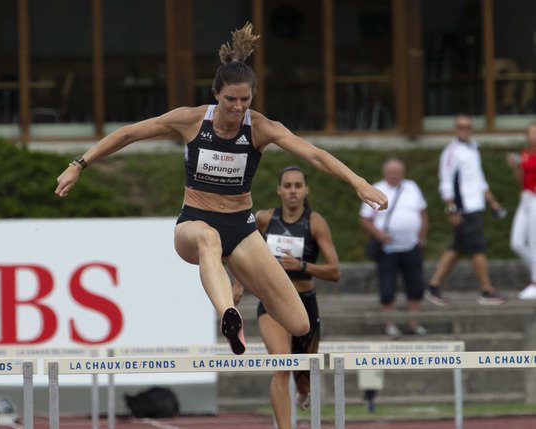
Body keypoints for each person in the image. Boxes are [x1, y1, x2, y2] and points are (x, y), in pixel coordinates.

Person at [54, 23, 388, 355]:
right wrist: (78, 164)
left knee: (299, 323)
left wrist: (359, 183)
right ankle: (229, 315)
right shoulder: (191, 119)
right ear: (216, 94)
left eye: (246, 99)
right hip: (195, 223)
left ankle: (238, 292)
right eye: (230, 100)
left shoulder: (261, 128)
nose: (238, 108)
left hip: (241, 229)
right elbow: (128, 134)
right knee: (209, 240)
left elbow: (314, 154)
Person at [232, 165, 340, 429]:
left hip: (305, 303)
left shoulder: (315, 222)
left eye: (298, 186)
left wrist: (302, 266)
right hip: (272, 304)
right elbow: (240, 249)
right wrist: (239, 283)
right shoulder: (265, 219)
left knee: (303, 381)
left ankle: (303, 392)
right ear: (279, 189)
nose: (293, 191)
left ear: (305, 190)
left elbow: (335, 271)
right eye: (288, 186)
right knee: (282, 366)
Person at [425, 114, 506, 306]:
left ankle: (433, 285)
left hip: (475, 206)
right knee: (478, 248)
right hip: (465, 209)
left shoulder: (472, 148)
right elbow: (445, 183)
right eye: (461, 127)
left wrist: (492, 202)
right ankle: (486, 290)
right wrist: (451, 209)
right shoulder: (452, 152)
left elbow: (479, 179)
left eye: (468, 127)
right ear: (455, 129)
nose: (465, 130)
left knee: (458, 248)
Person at [360, 158, 428, 338]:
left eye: (397, 171)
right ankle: (389, 324)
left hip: (411, 246)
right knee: (387, 287)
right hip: (387, 248)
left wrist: (421, 237)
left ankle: (414, 323)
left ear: (403, 173)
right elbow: (365, 219)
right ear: (384, 173)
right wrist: (379, 234)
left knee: (415, 285)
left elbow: (423, 213)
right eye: (390, 172)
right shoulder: (375, 188)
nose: (394, 175)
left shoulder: (412, 187)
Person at [507, 122, 536, 300]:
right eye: (531, 133)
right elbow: (520, 179)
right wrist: (515, 167)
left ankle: (534, 283)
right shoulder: (524, 154)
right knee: (516, 243)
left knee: (534, 243)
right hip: (524, 198)